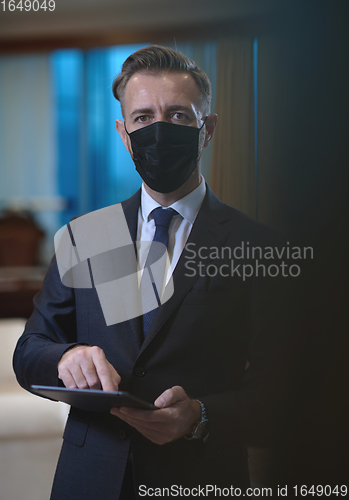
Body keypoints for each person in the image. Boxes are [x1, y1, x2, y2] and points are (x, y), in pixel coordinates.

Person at [13, 45, 286, 499]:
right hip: (88, 481)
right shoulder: (84, 236)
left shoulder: (260, 245)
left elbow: (286, 389)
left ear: (207, 129)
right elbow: (29, 351)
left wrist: (200, 416)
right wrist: (64, 358)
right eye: (143, 118)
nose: (158, 130)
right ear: (123, 133)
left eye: (178, 116)